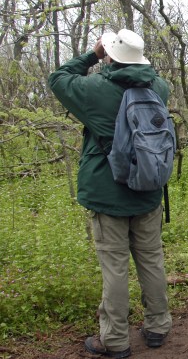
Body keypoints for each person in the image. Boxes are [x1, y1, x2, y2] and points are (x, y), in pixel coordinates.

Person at [48, 29, 172, 358]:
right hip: (147, 192)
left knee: (115, 268)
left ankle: (115, 340)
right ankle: (158, 326)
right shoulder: (159, 88)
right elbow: (151, 78)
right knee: (152, 261)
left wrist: (93, 55)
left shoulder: (94, 89)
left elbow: (59, 77)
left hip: (108, 195)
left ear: (110, 54)